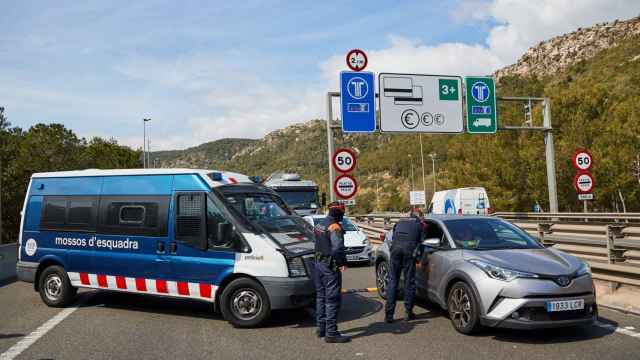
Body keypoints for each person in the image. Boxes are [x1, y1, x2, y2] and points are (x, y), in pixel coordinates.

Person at [313, 202, 350, 343]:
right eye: (342, 212)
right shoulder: (334, 227)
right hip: (329, 267)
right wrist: (342, 263)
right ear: (339, 213)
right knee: (332, 299)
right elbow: (337, 249)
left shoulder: (320, 224)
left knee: (321, 297)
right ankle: (331, 333)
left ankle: (321, 328)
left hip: (318, 264)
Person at [384, 208, 425, 323]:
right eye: (422, 216)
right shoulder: (420, 225)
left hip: (395, 251)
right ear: (419, 216)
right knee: (408, 282)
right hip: (408, 252)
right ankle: (408, 312)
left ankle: (389, 315)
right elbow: (422, 243)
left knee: (393, 282)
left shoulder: (399, 222)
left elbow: (392, 238)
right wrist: (419, 258)